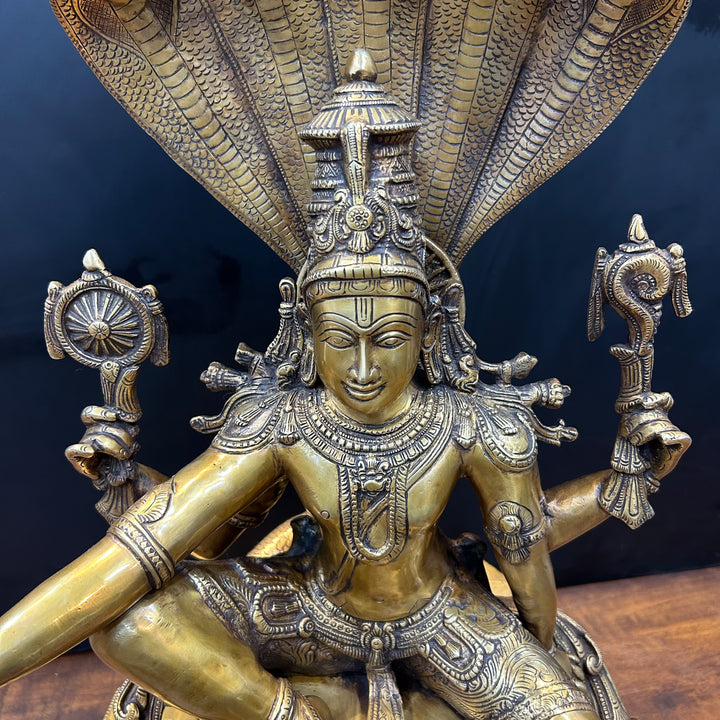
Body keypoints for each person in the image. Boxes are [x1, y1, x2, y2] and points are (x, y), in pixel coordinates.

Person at [0, 55, 686, 720]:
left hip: (439, 620)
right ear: (306, 332)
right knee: (131, 623)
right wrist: (132, 488)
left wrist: (621, 487)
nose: (361, 369)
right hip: (310, 611)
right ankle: (302, 712)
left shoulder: (473, 424)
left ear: (429, 329)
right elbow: (133, 562)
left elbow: (523, 543)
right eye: (338, 341)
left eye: (388, 339)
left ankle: (342, 704)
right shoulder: (284, 422)